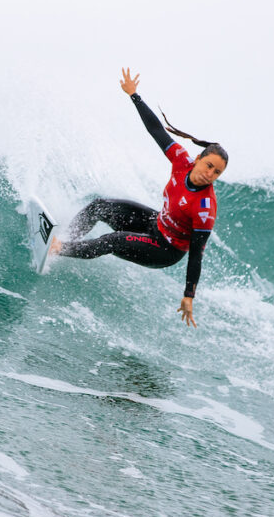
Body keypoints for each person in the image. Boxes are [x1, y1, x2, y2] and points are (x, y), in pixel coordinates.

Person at [50, 68, 228, 328]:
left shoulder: (204, 209)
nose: (210, 174)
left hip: (166, 250)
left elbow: (196, 255)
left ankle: (58, 249)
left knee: (111, 241)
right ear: (198, 159)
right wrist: (134, 95)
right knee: (100, 206)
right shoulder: (181, 160)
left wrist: (189, 295)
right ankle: (66, 237)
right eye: (209, 165)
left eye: (217, 173)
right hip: (156, 223)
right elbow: (156, 131)